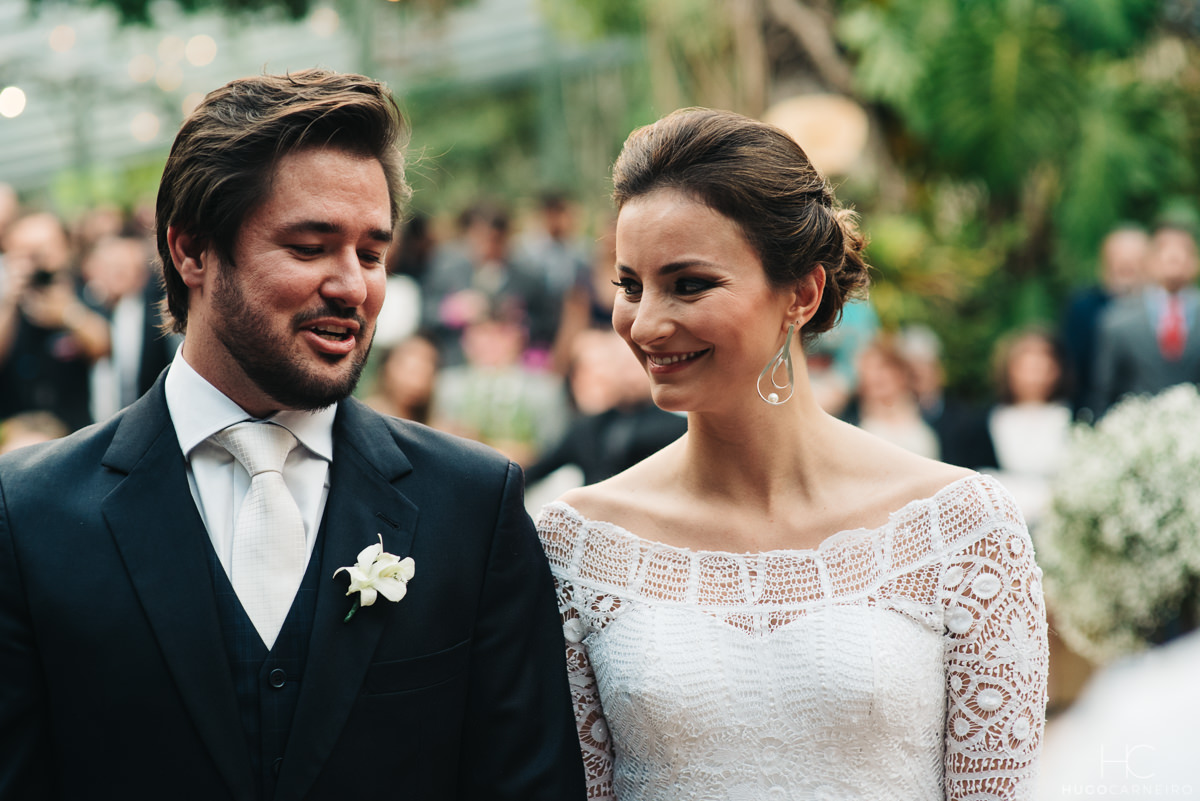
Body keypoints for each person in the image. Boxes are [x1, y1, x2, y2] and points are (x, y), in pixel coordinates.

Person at [0, 69, 585, 801]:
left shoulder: (471, 505)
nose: (353, 286)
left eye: (371, 254)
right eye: (311, 247)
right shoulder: (29, 516)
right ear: (192, 251)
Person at [536, 108, 1048, 799]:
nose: (646, 324)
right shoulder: (579, 543)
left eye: (689, 284)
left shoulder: (960, 527)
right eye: (630, 286)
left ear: (802, 293)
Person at [1089, 222, 1200, 417]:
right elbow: (1104, 388)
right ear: (1148, 262)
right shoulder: (1117, 319)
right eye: (1163, 249)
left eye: (1184, 250)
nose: (1174, 257)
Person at [1059, 225, 1147, 421]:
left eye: (1136, 259)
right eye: (1119, 258)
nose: (1127, 265)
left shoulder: (1161, 311)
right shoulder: (1083, 307)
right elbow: (1074, 366)